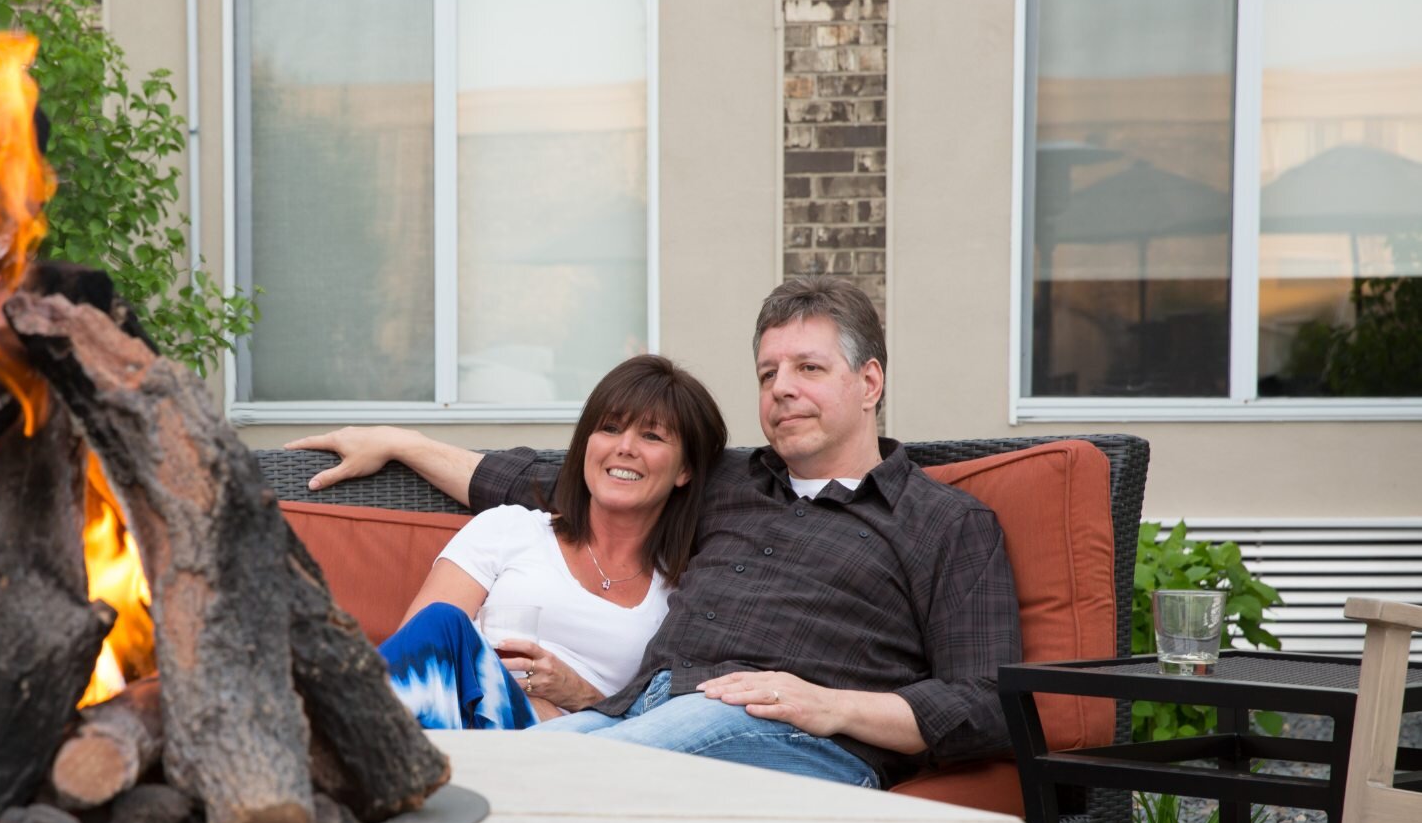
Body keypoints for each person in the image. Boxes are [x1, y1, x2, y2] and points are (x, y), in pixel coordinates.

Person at [289, 275, 1022, 787]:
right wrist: (401, 441)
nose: (782, 388)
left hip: (803, 740)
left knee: (545, 778)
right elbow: (574, 475)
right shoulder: (729, 483)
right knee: (493, 772)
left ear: (870, 382)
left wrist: (832, 705)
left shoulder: (944, 524)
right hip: (647, 711)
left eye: (808, 367)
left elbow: (990, 705)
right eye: (767, 373)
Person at [291, 355, 725, 731]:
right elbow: (421, 653)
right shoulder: (509, 529)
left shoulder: (685, 592)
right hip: (455, 720)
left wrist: (575, 693)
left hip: (572, 751)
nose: (624, 448)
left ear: (684, 470)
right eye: (609, 428)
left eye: (651, 436)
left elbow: (662, 727)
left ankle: (322, 740)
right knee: (443, 623)